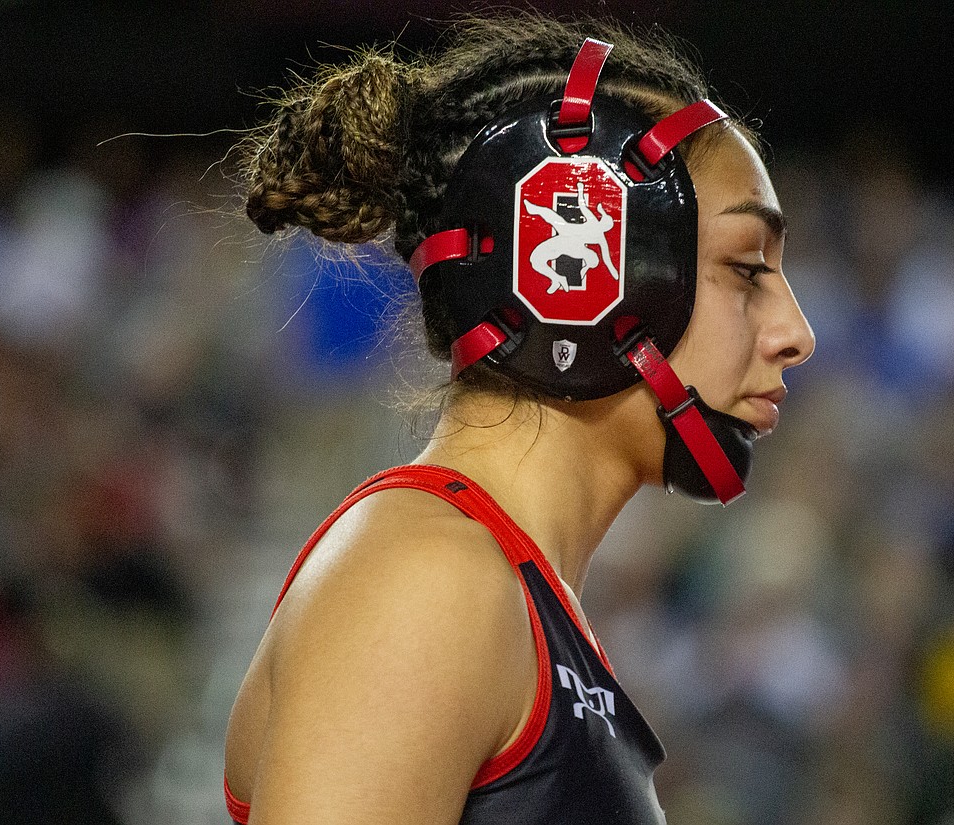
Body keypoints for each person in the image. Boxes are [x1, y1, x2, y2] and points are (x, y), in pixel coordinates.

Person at [224, 13, 814, 825]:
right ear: (583, 283)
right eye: (746, 269)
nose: (795, 333)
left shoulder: (506, 592)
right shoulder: (432, 580)